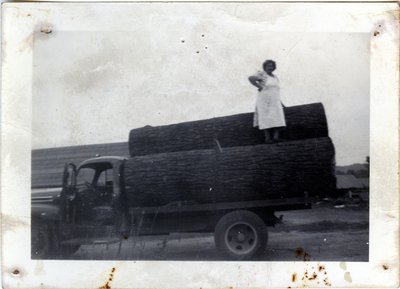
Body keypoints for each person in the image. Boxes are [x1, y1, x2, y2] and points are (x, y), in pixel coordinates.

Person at [248, 60, 286, 143]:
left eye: (272, 66)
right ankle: (267, 138)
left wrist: (281, 102)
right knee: (266, 117)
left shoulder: (275, 77)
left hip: (275, 100)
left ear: (274, 67)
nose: (270, 67)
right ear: (264, 67)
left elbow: (275, 90)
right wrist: (258, 86)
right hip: (264, 99)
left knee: (278, 117)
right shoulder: (262, 74)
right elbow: (250, 78)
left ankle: (276, 137)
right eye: (268, 66)